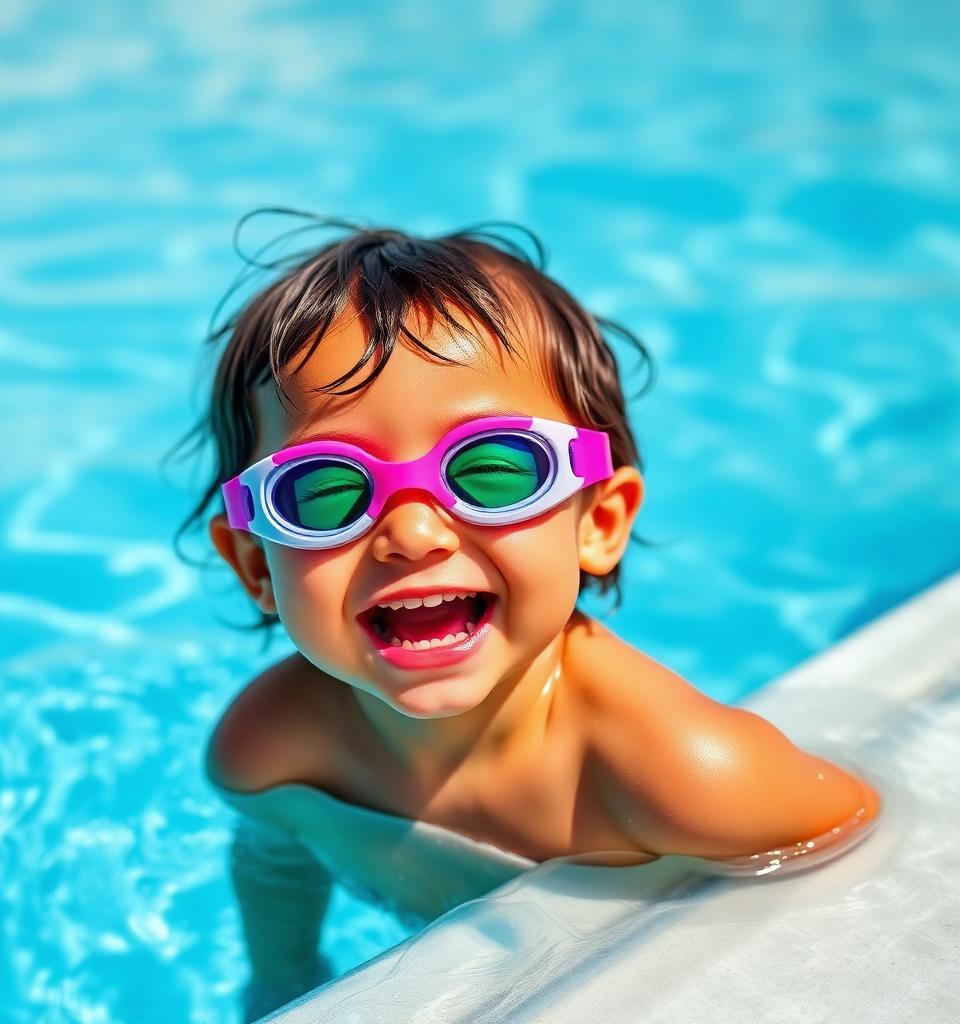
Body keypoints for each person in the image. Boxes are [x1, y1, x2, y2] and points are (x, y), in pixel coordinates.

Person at [171, 210, 881, 1018]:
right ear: (257, 564)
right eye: (327, 491)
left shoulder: (682, 775)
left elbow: (877, 884)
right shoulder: (269, 750)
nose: (410, 531)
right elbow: (276, 864)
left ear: (599, 523)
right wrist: (280, 983)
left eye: (496, 470)